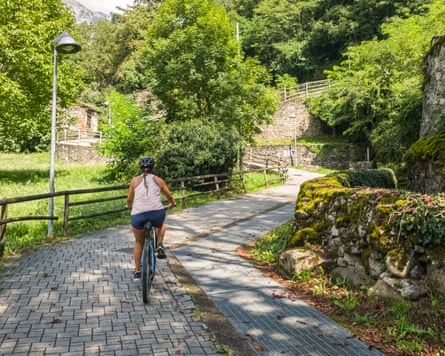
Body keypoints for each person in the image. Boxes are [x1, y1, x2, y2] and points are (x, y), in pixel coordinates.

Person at [126, 156, 176, 280]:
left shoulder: (134, 181)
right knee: (161, 224)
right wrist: (172, 204)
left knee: (138, 242)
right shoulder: (158, 180)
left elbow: (129, 199)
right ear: (153, 168)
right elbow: (169, 196)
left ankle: (137, 271)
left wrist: (128, 206)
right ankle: (159, 244)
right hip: (156, 213)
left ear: (140, 168)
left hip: (138, 215)